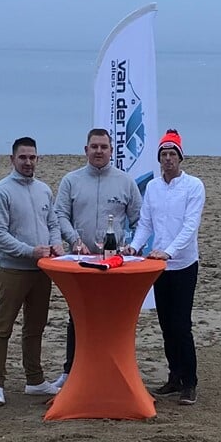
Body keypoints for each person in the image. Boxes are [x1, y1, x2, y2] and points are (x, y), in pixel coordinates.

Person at [47, 127, 143, 388]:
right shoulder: (71, 181)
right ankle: (71, 370)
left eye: (104, 147)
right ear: (86, 150)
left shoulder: (125, 182)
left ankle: (111, 371)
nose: (99, 151)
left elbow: (139, 220)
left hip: (115, 265)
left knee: (112, 316)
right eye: (94, 146)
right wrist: (74, 241)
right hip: (81, 261)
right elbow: (60, 215)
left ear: (112, 151)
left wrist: (131, 247)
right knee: (78, 315)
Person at [128, 129, 205, 405]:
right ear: (159, 159)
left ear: (180, 158)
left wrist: (169, 252)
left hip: (183, 264)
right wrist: (135, 247)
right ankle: (174, 376)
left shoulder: (194, 186)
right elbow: (145, 223)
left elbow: (189, 227)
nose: (168, 159)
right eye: (164, 154)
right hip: (159, 267)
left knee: (181, 325)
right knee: (165, 324)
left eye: (173, 154)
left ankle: (190, 382)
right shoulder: (153, 187)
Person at [0, 136, 61, 406]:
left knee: (35, 327)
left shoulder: (43, 190)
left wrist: (55, 245)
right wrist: (29, 251)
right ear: (12, 159)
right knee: (2, 327)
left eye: (32, 157)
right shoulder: (1, 191)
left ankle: (35, 380)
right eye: (23, 157)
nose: (28, 162)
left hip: (41, 270)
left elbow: (52, 222)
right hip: (13, 270)